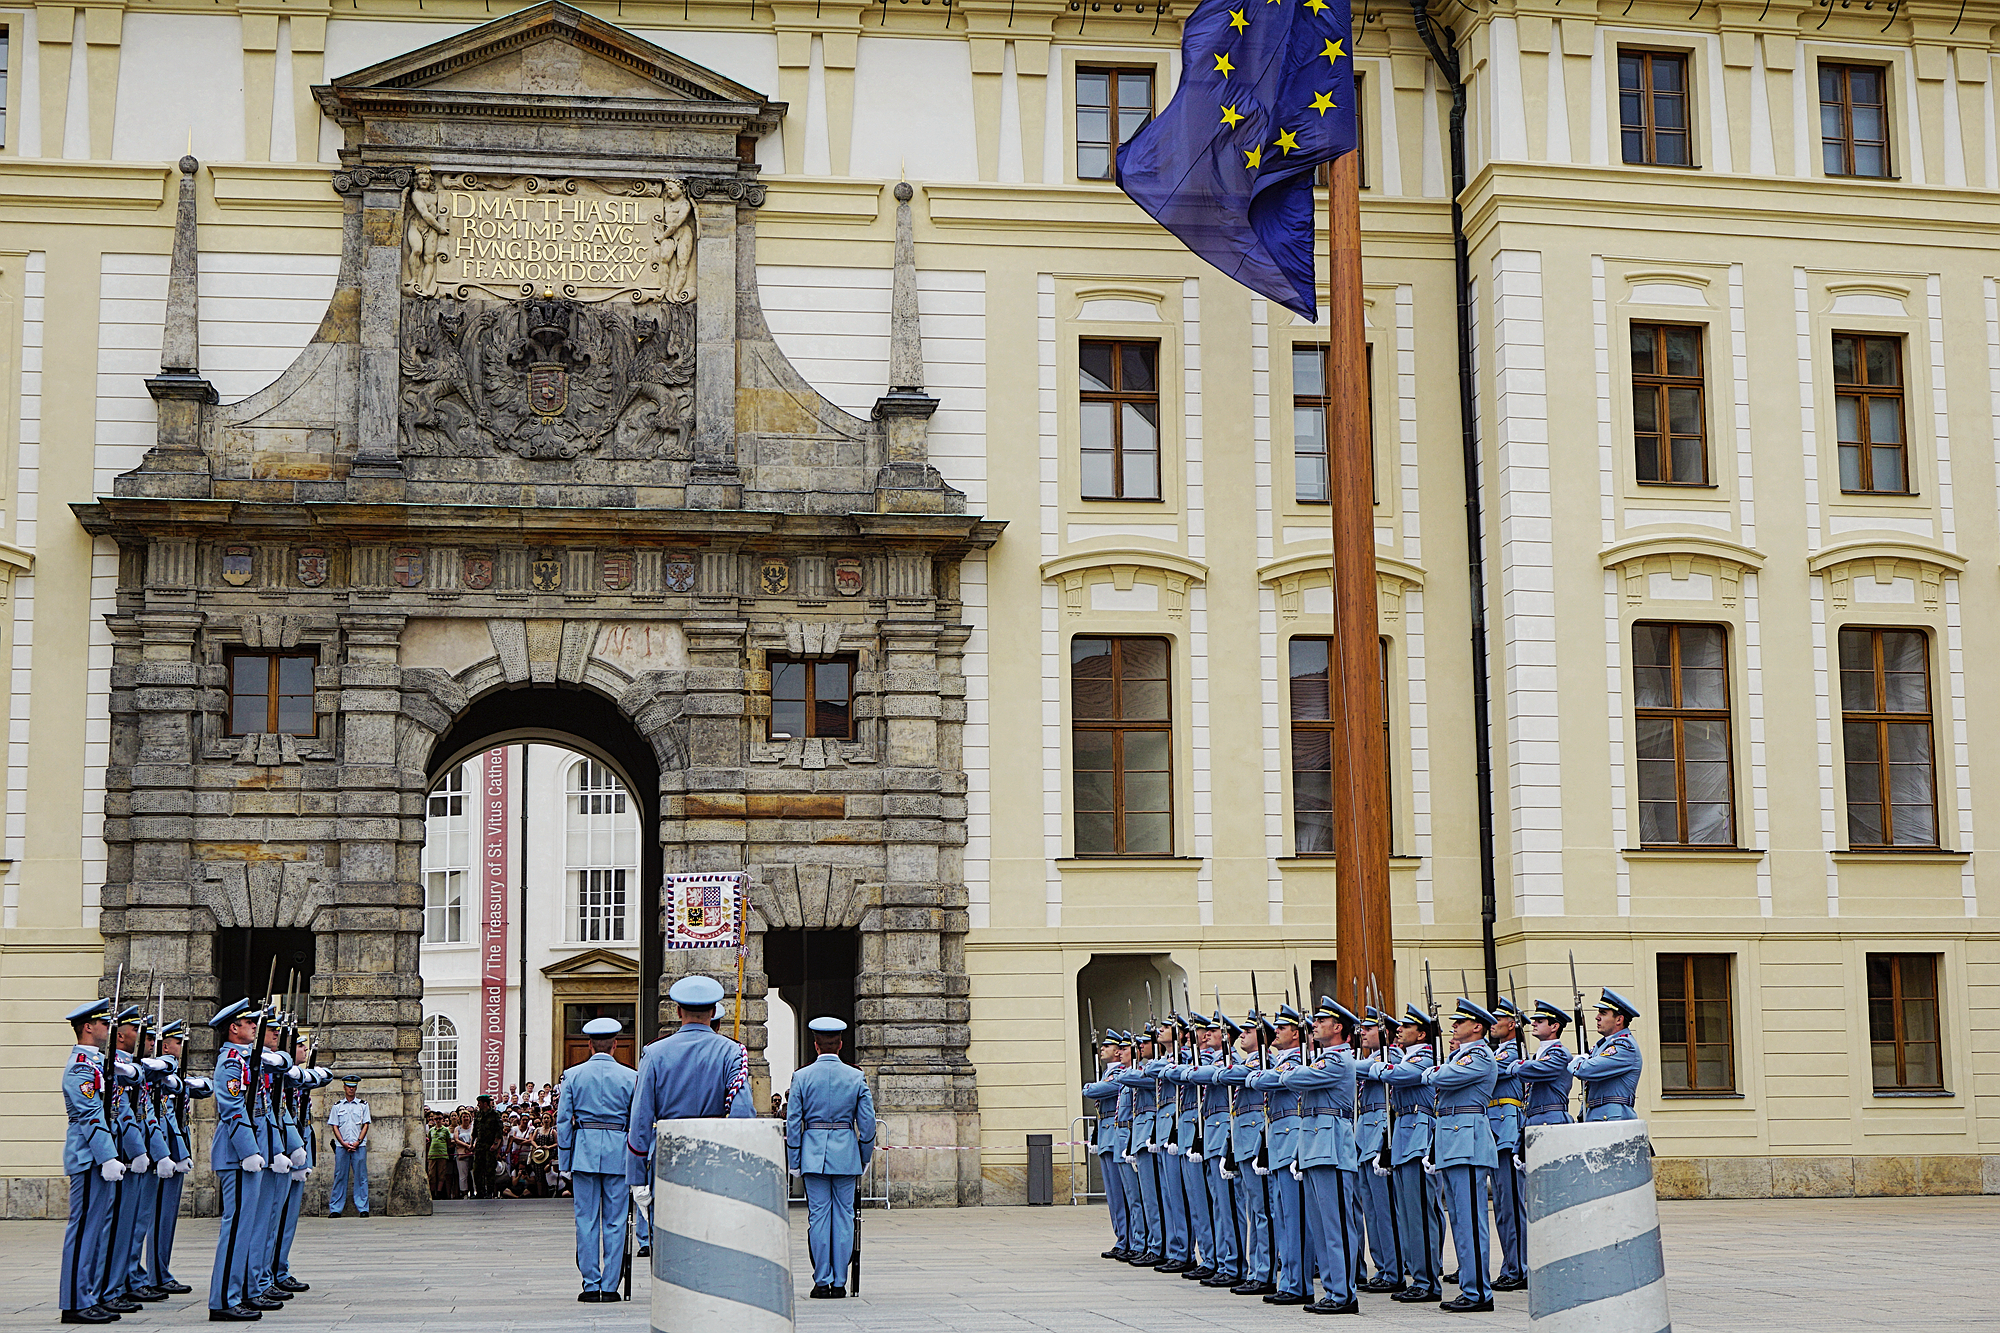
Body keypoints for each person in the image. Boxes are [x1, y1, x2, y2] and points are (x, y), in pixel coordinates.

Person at [625, 975, 753, 1251]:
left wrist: (637, 1177)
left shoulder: (654, 1053)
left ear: (678, 1011)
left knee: (670, 1238)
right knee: (715, 1235)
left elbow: (641, 1117)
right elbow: (743, 1113)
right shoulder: (733, 1052)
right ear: (713, 1012)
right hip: (715, 1154)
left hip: (669, 1152)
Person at [786, 1016, 876, 1299]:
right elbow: (868, 1123)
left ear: (815, 1046)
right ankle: (840, 1282)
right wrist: (863, 1156)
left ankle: (821, 1280)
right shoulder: (855, 1076)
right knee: (845, 1216)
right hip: (846, 1153)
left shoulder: (801, 1077)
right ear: (840, 1045)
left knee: (819, 1216)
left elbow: (793, 1123)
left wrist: (795, 1161)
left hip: (814, 1154)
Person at [1284, 998, 1363, 1315]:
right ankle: (1333, 1290)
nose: (1314, 1024)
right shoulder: (1321, 1060)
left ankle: (1344, 1293)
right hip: (1316, 1145)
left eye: (1321, 1020)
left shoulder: (1336, 1060)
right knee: (1321, 1225)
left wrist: (1293, 1067)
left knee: (1337, 1226)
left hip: (1331, 1147)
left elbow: (1292, 1079)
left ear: (1338, 1027)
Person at [1423, 999, 1500, 1313]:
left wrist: (1435, 1071)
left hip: (1467, 1141)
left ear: (1477, 1027)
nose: (1453, 1026)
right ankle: (1470, 1286)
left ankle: (1479, 1291)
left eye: (1460, 1022)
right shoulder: (1460, 1056)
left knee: (1471, 1220)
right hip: (1453, 1140)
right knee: (1459, 1220)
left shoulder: (1479, 1056)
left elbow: (1441, 1078)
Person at [559, 1016, 639, 1302]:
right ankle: (610, 1285)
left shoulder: (573, 1075)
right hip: (618, 1151)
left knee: (586, 1219)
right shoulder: (631, 1077)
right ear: (615, 1045)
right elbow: (638, 1122)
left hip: (584, 1152)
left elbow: (564, 1121)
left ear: (590, 1045)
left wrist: (565, 1161)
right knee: (616, 1221)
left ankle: (590, 1284)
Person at [1368, 1005, 1442, 1304]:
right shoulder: (1406, 1056)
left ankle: (1428, 1281)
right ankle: (1419, 1276)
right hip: (1403, 1134)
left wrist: (1358, 1065)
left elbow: (1400, 1076)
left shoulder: (1424, 1057)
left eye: (1406, 1027)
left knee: (1421, 1213)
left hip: (1419, 1133)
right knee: (1407, 1213)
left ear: (1422, 1034)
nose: (1398, 1030)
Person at [206, 998, 272, 1322]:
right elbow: (232, 1110)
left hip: (248, 1152)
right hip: (236, 1154)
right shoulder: (231, 1062)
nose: (254, 1027)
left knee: (245, 1228)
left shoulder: (246, 1060)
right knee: (235, 1229)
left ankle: (238, 1292)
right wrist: (249, 1151)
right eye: (249, 1023)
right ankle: (222, 1301)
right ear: (234, 1028)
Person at [59, 997, 123, 1325]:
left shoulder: (96, 1063)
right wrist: (108, 1156)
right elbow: (90, 1116)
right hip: (88, 1158)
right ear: (88, 1027)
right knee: (83, 1229)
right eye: (104, 1023)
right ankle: (74, 1302)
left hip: (97, 1158)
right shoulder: (81, 1067)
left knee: (95, 1230)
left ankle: (90, 1296)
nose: (109, 1029)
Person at [1246, 1004, 1310, 1305]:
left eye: (1282, 1029)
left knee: (1293, 1218)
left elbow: (1263, 1081)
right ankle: (1291, 1280)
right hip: (1278, 1142)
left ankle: (1298, 1283)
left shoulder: (1296, 1061)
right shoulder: (1282, 1061)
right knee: (1284, 1216)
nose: (1275, 1032)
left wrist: (1264, 1073)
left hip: (1292, 1141)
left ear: (1296, 1034)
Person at [137, 1019, 199, 1300]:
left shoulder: (169, 1073)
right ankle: (145, 1276)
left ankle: (159, 1272)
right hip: (153, 1153)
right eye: (178, 1043)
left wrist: (181, 1152)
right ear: (165, 1045)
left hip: (172, 1151)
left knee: (166, 1218)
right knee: (147, 1219)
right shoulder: (153, 1071)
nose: (182, 1047)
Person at [1217, 1010, 1274, 1296]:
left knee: (1263, 1211)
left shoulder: (1265, 1061)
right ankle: (1255, 1269)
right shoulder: (1249, 1062)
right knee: (1254, 1210)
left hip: (1256, 1140)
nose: (1242, 1034)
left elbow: (1234, 1075)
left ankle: (1265, 1272)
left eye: (1249, 1031)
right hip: (1242, 1139)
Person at [1190, 1015, 1243, 1289]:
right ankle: (1223, 1261)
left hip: (1223, 1133)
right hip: (1211, 1134)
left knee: (1229, 1206)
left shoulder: (1230, 1061)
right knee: (1218, 1206)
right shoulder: (1214, 1060)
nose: (1206, 1035)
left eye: (1212, 1031)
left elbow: (1199, 1075)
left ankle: (1234, 1264)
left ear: (1226, 1035)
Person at [1354, 1009, 1404, 1293]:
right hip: (1364, 1134)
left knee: (1385, 1210)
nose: (1362, 1033)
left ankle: (1394, 1269)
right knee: (1371, 1210)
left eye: (1369, 1028)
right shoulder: (1368, 1060)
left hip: (1380, 1133)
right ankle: (1383, 1267)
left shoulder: (1391, 1057)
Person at [1109, 1026, 1164, 1268]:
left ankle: (1154, 1244)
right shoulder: (1138, 1071)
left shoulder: (1149, 1070)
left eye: (1143, 1043)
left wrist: (1124, 1074)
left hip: (1146, 1132)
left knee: (1151, 1198)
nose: (1138, 1048)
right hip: (1130, 1133)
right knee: (1135, 1197)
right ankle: (1139, 1242)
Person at [1485, 998, 1528, 1294]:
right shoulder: (1498, 1052)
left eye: (1497, 1019)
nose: (1491, 1025)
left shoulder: (1511, 1053)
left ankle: (1520, 1267)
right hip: (1495, 1127)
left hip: (1507, 1128)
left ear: (1512, 1024)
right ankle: (1510, 1265)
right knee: (1502, 1206)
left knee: (1512, 1204)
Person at [1080, 1034, 1133, 1260]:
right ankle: (1122, 1237)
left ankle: (1129, 1239)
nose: (1104, 1049)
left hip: (1116, 1135)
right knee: (1113, 1195)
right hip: (1106, 1135)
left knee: (1123, 1194)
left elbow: (1094, 1091)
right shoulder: (1107, 1073)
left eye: (1108, 1046)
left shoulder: (1120, 1072)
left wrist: (1092, 1086)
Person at [1572, 988, 1644, 1121]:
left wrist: (1577, 1062)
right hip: (1596, 1115)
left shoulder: (1624, 1047)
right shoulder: (1602, 1046)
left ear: (1619, 1020)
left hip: (1611, 1118)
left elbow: (1585, 1069)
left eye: (1603, 1013)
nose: (1597, 1017)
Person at [327, 1076, 370, 1217]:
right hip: (342, 1146)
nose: (351, 1089)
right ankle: (335, 1208)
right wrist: (343, 1143)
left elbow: (366, 1125)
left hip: (359, 1145)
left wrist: (358, 1141)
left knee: (361, 1177)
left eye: (354, 1086)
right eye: (349, 1086)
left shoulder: (363, 1105)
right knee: (340, 1176)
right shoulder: (337, 1106)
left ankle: (363, 1207)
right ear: (344, 1087)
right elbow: (334, 1126)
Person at [472, 1095, 504, 1198]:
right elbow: (475, 1130)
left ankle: (489, 1192)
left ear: (485, 1103)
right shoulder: (478, 1114)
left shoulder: (495, 1114)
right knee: (477, 1170)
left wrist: (495, 1144)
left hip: (490, 1146)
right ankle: (480, 1192)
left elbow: (499, 1131)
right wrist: (472, 1142)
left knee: (490, 1170)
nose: (478, 1105)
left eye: (480, 1103)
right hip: (480, 1146)